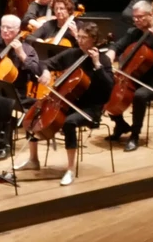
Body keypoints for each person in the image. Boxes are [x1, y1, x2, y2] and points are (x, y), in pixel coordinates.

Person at [7, 22, 113, 186]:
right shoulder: (72, 53)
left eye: (84, 37)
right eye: (78, 36)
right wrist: (46, 70)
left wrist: (97, 65)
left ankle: (70, 169)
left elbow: (108, 88)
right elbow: (46, 62)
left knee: (69, 123)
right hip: (67, 102)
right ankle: (33, 160)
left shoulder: (103, 60)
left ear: (94, 39)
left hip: (89, 107)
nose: (80, 40)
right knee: (34, 112)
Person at [105, 1, 153, 152]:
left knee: (139, 96)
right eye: (135, 17)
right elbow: (118, 45)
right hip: (134, 77)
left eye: (140, 17)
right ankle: (120, 124)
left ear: (151, 15)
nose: (137, 20)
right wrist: (111, 51)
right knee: (105, 86)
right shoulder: (134, 32)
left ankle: (134, 135)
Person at [0, 14, 41, 91]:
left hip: (17, 92)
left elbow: (36, 73)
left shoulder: (27, 49)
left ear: (18, 29)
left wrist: (22, 54)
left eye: (9, 28)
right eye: (3, 27)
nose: (5, 30)